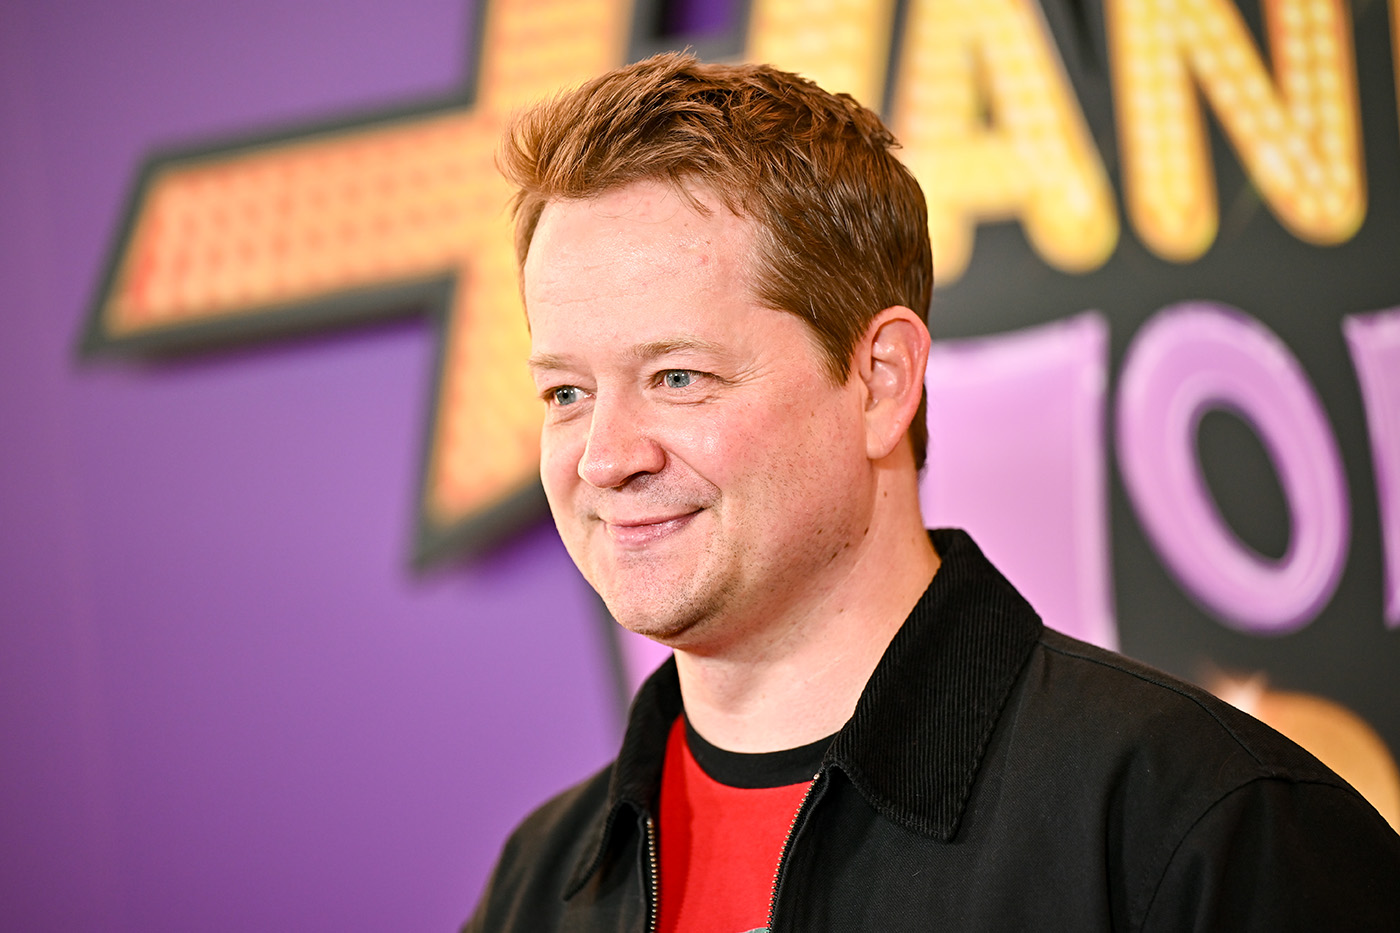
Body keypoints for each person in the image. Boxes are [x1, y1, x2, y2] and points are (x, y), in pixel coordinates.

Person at [465, 52, 1400, 932]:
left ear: (881, 380)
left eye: (678, 377)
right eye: (567, 393)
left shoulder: (1202, 826)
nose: (604, 458)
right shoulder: (536, 883)